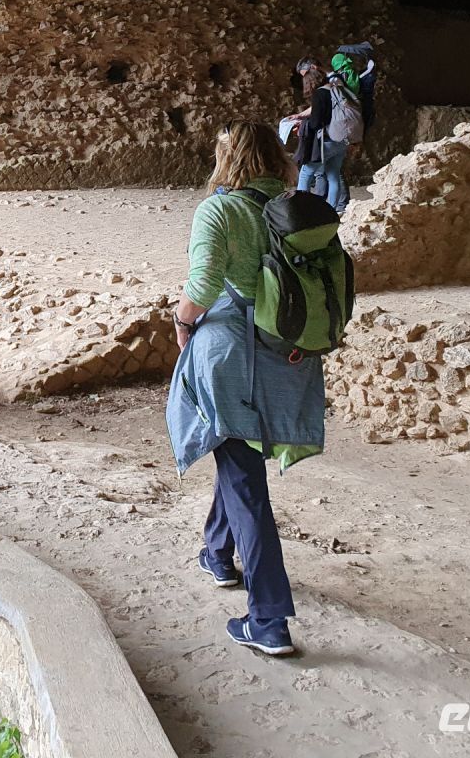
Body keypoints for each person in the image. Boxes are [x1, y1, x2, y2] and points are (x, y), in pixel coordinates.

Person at [167, 122, 309, 658]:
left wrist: (181, 325)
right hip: (286, 350)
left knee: (244, 478)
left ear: (228, 158)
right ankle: (218, 553)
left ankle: (269, 618)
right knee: (236, 453)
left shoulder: (220, 210)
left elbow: (202, 285)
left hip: (230, 352)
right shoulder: (298, 206)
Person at [292, 58, 350, 212]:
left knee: (305, 173)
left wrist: (301, 127)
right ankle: (332, 211)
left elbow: (316, 122)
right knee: (333, 175)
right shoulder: (337, 87)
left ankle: (301, 210)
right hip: (342, 140)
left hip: (328, 141)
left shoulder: (319, 94)